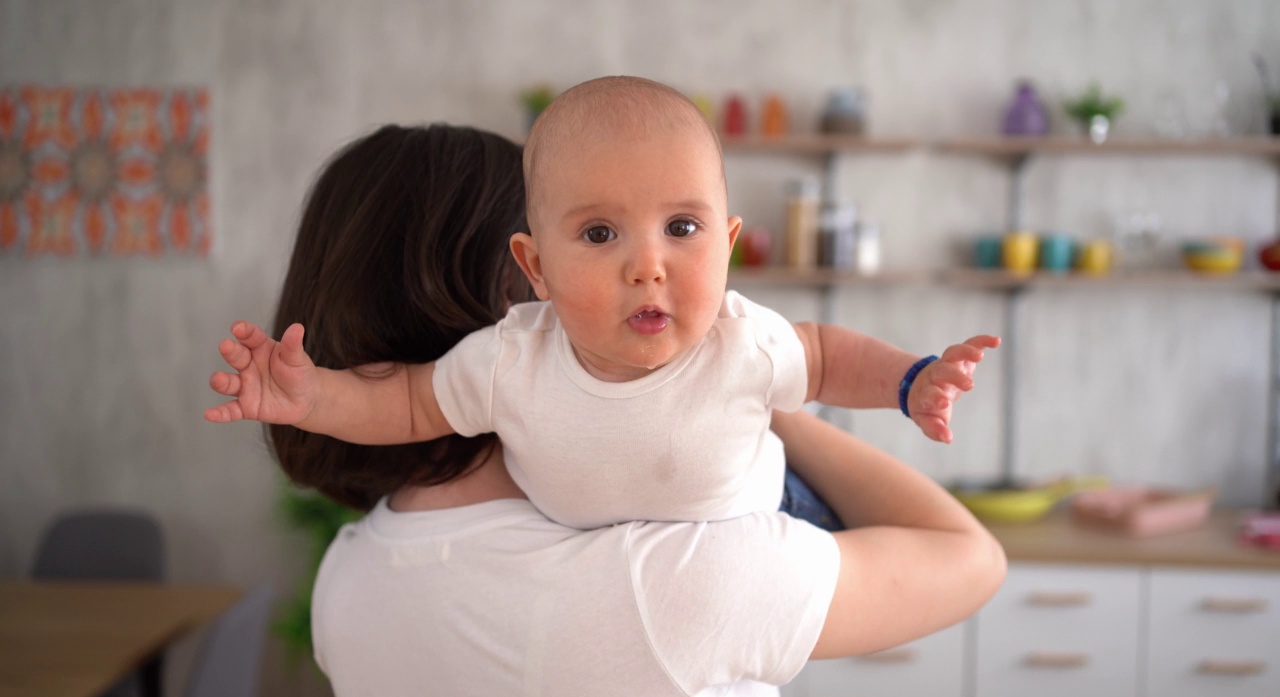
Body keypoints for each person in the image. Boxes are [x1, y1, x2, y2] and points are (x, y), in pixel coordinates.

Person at [210, 121, 1005, 697]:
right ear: (526, 286)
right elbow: (968, 558)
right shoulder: (673, 576)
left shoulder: (346, 581)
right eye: (594, 235)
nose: (641, 270)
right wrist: (736, 387)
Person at [206, 76, 999, 532]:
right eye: (598, 234)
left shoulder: (740, 339)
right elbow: (410, 401)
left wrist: (910, 381)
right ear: (534, 266)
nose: (647, 266)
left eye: (682, 228)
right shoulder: (512, 356)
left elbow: (827, 357)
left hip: (770, 512)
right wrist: (316, 398)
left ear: (726, 243)